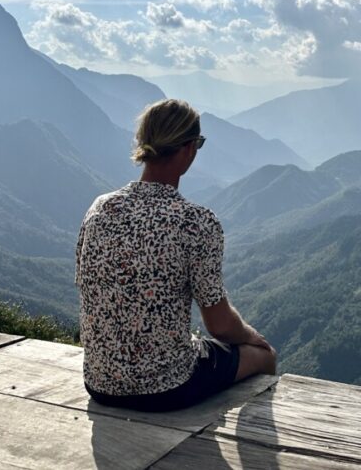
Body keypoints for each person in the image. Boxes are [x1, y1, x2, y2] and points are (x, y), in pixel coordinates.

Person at [75, 98, 276, 412]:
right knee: (264, 356)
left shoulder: (99, 209)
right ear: (189, 148)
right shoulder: (196, 223)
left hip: (99, 383)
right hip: (167, 387)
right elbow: (220, 325)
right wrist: (252, 336)